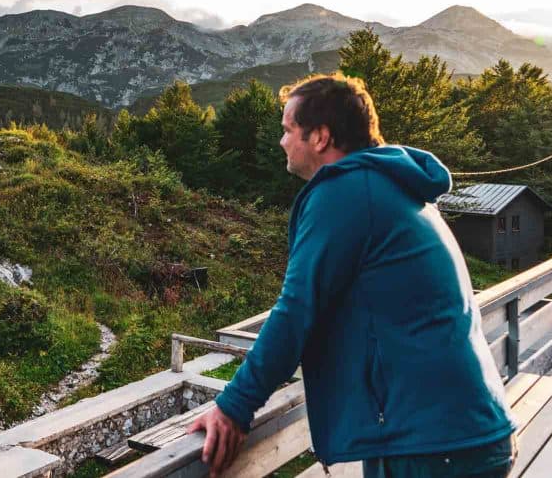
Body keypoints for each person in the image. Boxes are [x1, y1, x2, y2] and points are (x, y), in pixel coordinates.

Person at [188, 73, 516, 477]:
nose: (282, 141)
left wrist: (234, 406)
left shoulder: (345, 192)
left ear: (320, 137)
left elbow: (295, 310)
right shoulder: (392, 186)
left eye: (288, 130)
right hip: (457, 433)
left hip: (432, 448)